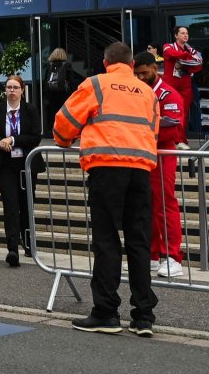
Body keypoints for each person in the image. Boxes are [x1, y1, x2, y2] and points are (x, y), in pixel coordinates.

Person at [53, 41, 160, 336]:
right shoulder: (148, 92)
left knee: (107, 240)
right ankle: (143, 317)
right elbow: (153, 129)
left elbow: (65, 122)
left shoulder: (96, 84)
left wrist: (64, 142)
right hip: (140, 170)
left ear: (105, 62)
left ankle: (106, 312)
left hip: (107, 168)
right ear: (129, 63)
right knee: (138, 242)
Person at [134, 51, 188, 276]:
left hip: (162, 154)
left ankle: (173, 256)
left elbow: (175, 129)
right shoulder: (136, 91)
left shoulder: (168, 94)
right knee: (147, 205)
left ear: (155, 69)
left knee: (165, 203)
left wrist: (144, 129)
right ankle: (153, 254)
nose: (140, 77)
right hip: (142, 153)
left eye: (144, 73)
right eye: (136, 74)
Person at [0, 75, 39, 267]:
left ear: (22, 90)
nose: (12, 90)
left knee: (26, 204)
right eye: (9, 87)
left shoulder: (30, 110)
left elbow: (34, 137)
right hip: (4, 164)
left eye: (16, 87)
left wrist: (13, 140)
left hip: (26, 164)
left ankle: (29, 243)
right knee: (10, 205)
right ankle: (12, 248)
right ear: (5, 90)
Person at [159, 27, 203, 133]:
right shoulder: (168, 46)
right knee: (169, 110)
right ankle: (170, 137)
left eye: (187, 33)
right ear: (176, 35)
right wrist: (186, 56)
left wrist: (187, 58)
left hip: (185, 84)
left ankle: (181, 139)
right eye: (182, 33)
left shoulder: (191, 50)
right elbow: (171, 54)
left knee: (184, 111)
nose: (185, 35)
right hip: (170, 84)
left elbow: (199, 64)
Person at [42, 49, 81, 129]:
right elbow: (71, 81)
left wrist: (46, 95)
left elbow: (46, 81)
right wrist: (74, 93)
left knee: (53, 113)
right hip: (64, 94)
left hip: (51, 95)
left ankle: (54, 130)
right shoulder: (67, 65)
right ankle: (63, 131)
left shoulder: (49, 66)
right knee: (64, 113)